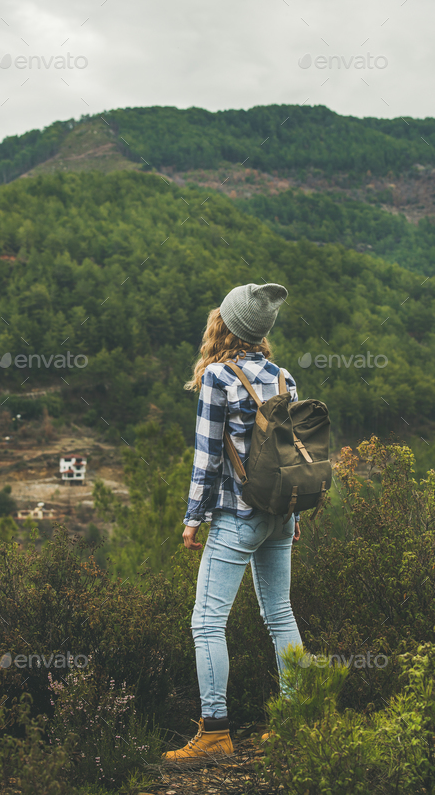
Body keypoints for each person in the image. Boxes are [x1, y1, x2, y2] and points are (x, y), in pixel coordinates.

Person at [162, 282, 303, 766]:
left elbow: (206, 459)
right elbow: (294, 456)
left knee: (206, 622)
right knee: (281, 616)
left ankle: (216, 732)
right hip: (280, 513)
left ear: (224, 325)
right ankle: (296, 721)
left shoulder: (219, 378)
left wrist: (192, 519)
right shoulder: (285, 378)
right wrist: (295, 514)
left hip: (236, 515)